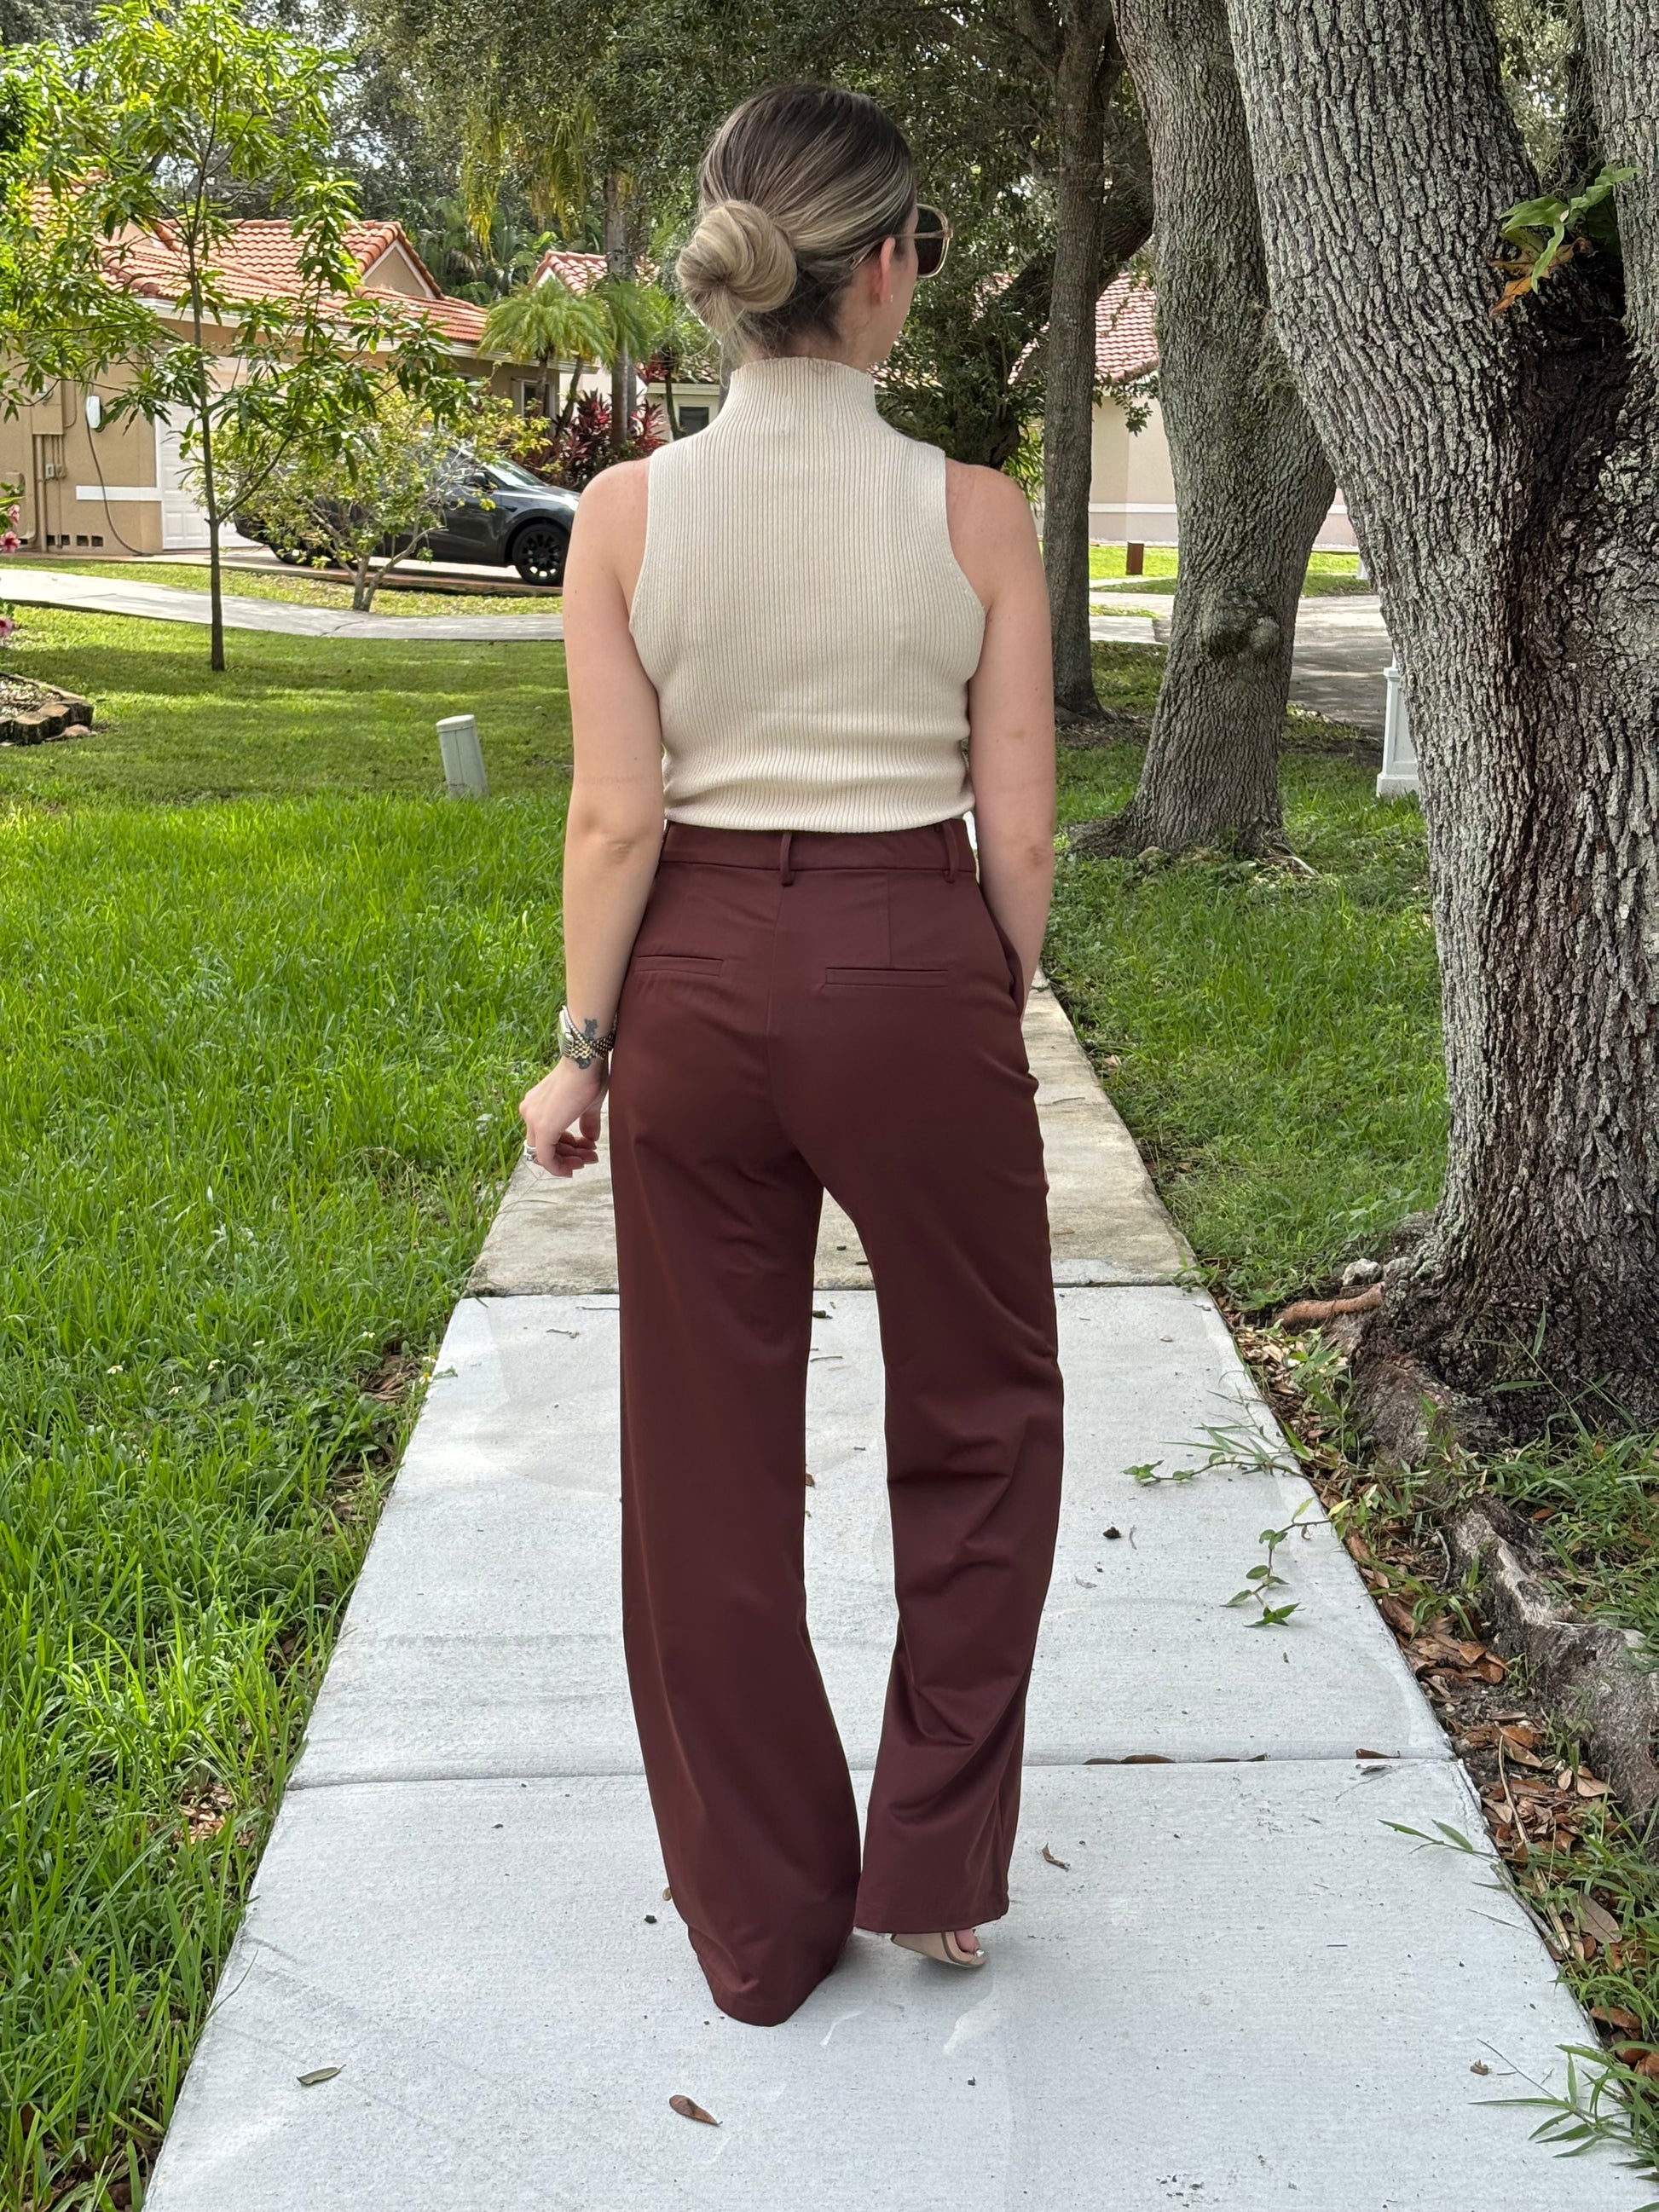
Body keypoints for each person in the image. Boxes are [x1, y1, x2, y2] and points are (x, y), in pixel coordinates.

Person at [517, 78, 1064, 2030]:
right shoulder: (975, 512)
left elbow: (615, 813)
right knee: (983, 1411)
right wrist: (976, 1000)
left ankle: (759, 1922)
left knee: (705, 1448)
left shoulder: (624, 514)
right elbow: (1019, 828)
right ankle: (934, 1862)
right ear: (892, 265)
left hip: (692, 982)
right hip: (915, 957)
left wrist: (580, 1048)